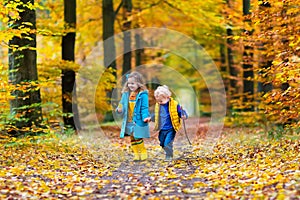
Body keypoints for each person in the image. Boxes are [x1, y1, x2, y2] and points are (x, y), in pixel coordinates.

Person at [116, 72, 151, 161]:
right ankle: (136, 154)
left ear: (138, 83)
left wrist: (145, 116)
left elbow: (144, 108)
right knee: (132, 137)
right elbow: (121, 104)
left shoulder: (143, 95)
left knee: (137, 136)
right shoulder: (126, 94)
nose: (130, 85)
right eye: (129, 83)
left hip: (137, 120)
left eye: (133, 83)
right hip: (128, 120)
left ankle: (143, 153)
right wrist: (119, 109)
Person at [152, 85, 188, 161]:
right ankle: (167, 151)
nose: (159, 103)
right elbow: (156, 115)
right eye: (158, 101)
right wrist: (150, 118)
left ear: (167, 97)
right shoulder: (158, 105)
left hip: (171, 128)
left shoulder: (175, 104)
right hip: (162, 129)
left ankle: (169, 155)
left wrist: (183, 115)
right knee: (162, 142)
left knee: (167, 143)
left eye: (161, 101)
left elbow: (180, 112)